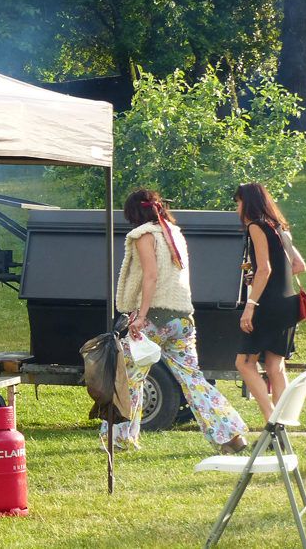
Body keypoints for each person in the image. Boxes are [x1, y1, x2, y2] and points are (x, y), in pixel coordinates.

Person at [103, 188, 248, 454]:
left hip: (153, 318)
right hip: (182, 319)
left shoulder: (144, 234)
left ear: (134, 213)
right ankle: (231, 434)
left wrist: (141, 315)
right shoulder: (175, 234)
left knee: (127, 377)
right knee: (193, 380)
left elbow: (151, 276)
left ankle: (119, 438)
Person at [233, 182, 306, 422]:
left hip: (268, 305)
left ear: (248, 203)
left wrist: (250, 305)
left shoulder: (256, 226)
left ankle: (270, 418)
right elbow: (298, 266)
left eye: (238, 202)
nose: (237, 208)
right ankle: (283, 423)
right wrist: (267, 277)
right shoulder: (279, 227)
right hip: (288, 304)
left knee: (244, 363)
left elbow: (264, 269)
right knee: (275, 366)